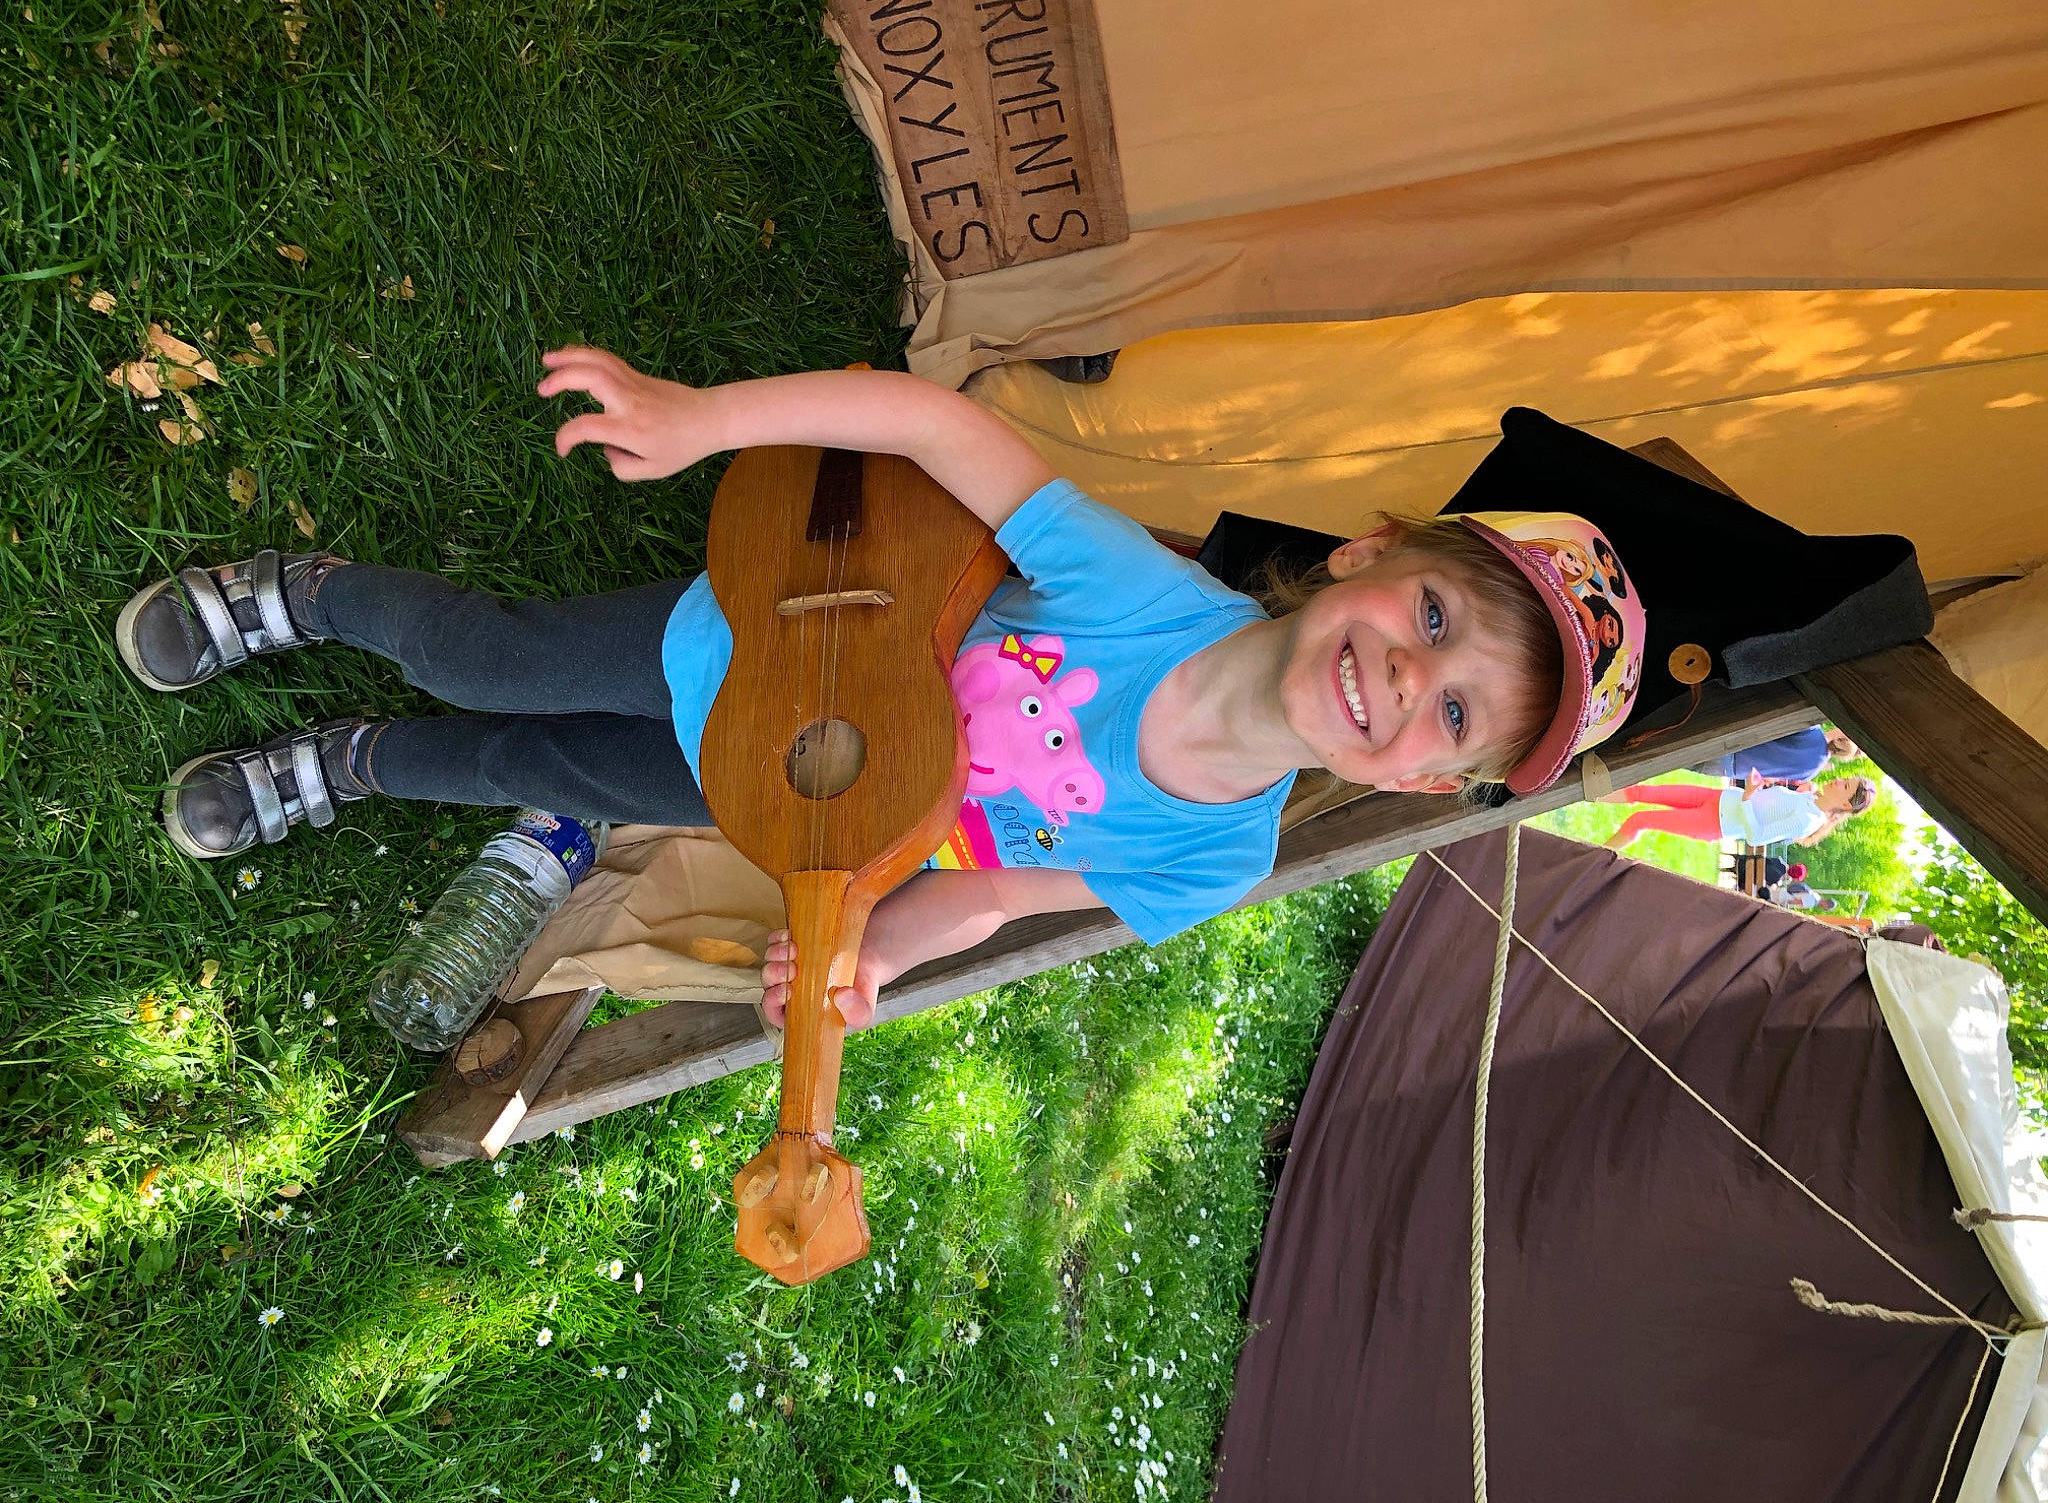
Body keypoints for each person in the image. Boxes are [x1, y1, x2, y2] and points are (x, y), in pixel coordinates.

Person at [115, 347, 1646, 1028]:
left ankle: (354, 764)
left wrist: (864, 961)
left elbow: (983, 898)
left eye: (1455, 714)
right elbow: (927, 425)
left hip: (790, 804)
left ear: (1426, 787)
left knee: (549, 769)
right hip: (738, 647)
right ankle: (299, 599)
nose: (1408, 674)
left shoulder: (1211, 860)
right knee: (492, 653)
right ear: (1371, 553)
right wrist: (702, 417)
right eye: (1435, 610)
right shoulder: (1143, 601)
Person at [1604, 773, 1877, 850]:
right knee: (1642, 792)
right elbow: (1765, 805)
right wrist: (1758, 787)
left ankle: (1592, 857)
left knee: (1639, 820)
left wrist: (1748, 797)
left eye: (1845, 786)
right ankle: (1585, 796)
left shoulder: (1807, 821)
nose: (1839, 781)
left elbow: (1756, 838)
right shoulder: (1808, 800)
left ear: (1844, 804)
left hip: (1712, 822)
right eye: (1845, 779)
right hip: (1718, 797)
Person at [1698, 726, 1859, 783]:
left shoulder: (1811, 731)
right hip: (1732, 770)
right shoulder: (1812, 772)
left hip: (1732, 747)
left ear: (1841, 735)